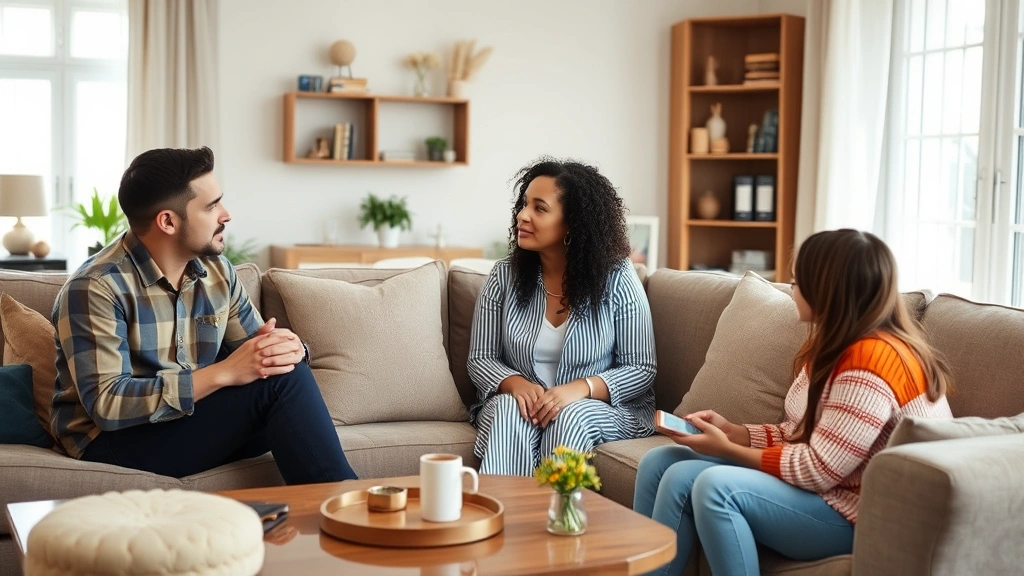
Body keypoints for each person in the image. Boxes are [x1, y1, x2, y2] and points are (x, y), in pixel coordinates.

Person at [633, 229, 953, 576]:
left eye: (799, 281)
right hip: (831, 490)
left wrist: (726, 449)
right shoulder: (834, 346)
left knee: (714, 489)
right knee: (661, 461)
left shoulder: (871, 360)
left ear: (828, 292)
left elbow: (817, 469)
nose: (791, 287)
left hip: (862, 514)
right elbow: (799, 432)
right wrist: (736, 432)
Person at [51, 146, 358, 484]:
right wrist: (225, 372)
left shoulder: (216, 271)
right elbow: (108, 405)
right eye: (212, 206)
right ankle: (348, 509)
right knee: (285, 388)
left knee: (286, 380)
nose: (226, 215)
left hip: (189, 418)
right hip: (113, 441)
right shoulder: (96, 287)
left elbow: (259, 356)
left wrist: (288, 349)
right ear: (168, 221)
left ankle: (325, 513)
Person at [468, 157, 656, 476]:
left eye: (539, 208)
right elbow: (480, 358)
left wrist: (579, 388)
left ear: (572, 223)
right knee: (510, 411)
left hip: (598, 408)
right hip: (519, 406)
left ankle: (555, 519)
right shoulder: (503, 276)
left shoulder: (618, 277)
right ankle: (509, 518)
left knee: (569, 415)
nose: (522, 216)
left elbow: (641, 368)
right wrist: (513, 383)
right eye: (524, 204)